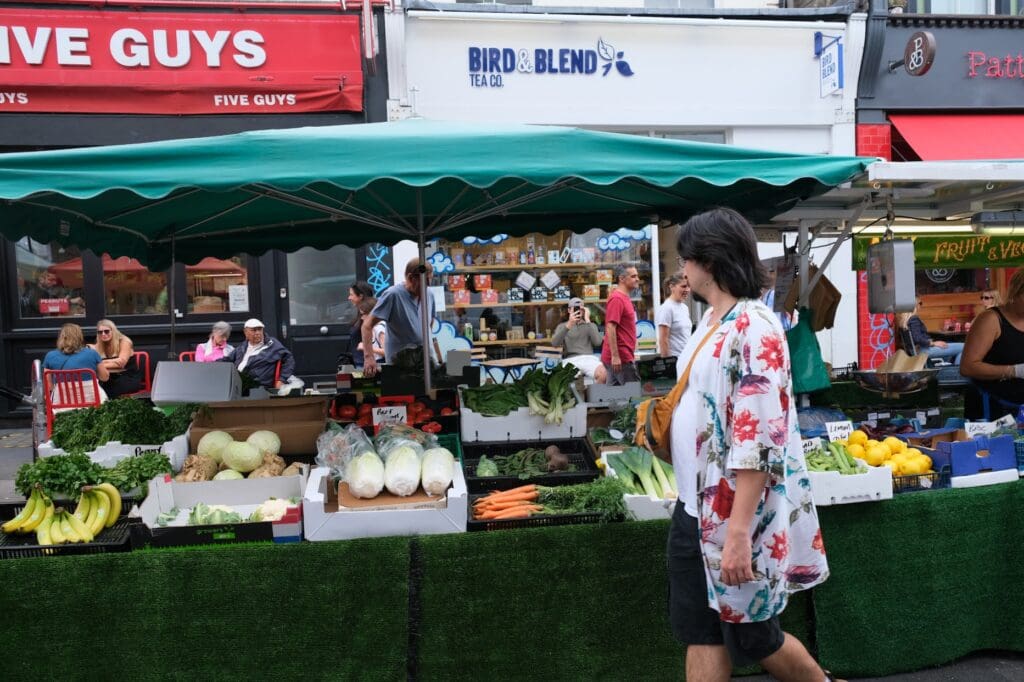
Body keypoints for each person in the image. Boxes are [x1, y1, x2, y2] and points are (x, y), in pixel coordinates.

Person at [668, 208, 833, 682]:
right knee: (699, 630)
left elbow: (758, 438)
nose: (683, 270)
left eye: (686, 259)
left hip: (736, 514)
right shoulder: (710, 323)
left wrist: (739, 531)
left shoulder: (756, 326)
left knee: (758, 635)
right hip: (693, 508)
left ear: (709, 261)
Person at [960, 269, 1024, 414]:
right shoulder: (991, 320)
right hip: (994, 406)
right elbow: (967, 367)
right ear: (1016, 292)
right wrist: (1014, 371)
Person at [361, 258, 436, 377]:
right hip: (400, 365)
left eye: (430, 279)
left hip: (426, 362)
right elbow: (367, 326)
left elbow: (430, 322)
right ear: (411, 278)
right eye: (425, 280)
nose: (428, 285)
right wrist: (369, 357)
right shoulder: (393, 295)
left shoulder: (429, 294)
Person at [43, 323, 110, 405]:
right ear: (79, 337)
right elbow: (104, 377)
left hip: (62, 405)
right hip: (92, 403)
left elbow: (49, 386)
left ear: (61, 338)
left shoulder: (50, 356)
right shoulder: (92, 353)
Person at [222, 318, 297, 390]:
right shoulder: (243, 346)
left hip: (258, 388)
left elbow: (289, 360)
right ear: (245, 332)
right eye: (254, 330)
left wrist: (281, 380)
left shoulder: (272, 345)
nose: (258, 333)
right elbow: (228, 359)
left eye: (260, 329)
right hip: (238, 385)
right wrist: (212, 364)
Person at [600, 264, 641, 385]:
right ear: (622, 279)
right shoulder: (617, 299)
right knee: (635, 394)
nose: (637, 279)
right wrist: (615, 356)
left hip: (621, 356)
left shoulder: (624, 297)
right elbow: (610, 327)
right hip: (621, 357)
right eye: (633, 276)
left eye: (637, 275)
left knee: (615, 397)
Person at [551, 298, 606, 383]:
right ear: (569, 310)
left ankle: (593, 395)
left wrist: (588, 320)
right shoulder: (562, 326)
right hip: (571, 360)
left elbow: (598, 342)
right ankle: (578, 395)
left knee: (604, 373)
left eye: (581, 309)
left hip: (589, 358)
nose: (578, 311)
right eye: (575, 308)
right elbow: (554, 344)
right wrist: (569, 325)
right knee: (567, 378)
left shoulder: (590, 325)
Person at [898, 301, 963, 364]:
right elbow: (917, 338)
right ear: (915, 305)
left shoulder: (903, 322)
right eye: (920, 303)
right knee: (964, 347)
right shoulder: (914, 319)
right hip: (924, 350)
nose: (920, 306)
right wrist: (933, 343)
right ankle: (958, 373)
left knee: (950, 345)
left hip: (915, 351)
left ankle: (954, 370)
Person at [92, 319, 143, 398]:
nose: (103, 334)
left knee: (108, 389)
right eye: (100, 332)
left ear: (113, 331)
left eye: (106, 331)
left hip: (127, 377)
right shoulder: (100, 344)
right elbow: (94, 361)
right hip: (110, 378)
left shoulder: (124, 341)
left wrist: (100, 364)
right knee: (95, 387)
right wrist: (113, 361)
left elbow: (121, 363)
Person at [656, 273, 692, 359]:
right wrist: (668, 364)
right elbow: (663, 340)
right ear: (672, 287)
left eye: (689, 286)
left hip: (686, 359)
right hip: (675, 360)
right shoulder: (667, 308)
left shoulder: (684, 308)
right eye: (683, 286)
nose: (687, 289)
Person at [345, 281, 375, 366]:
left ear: (361, 296)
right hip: (359, 362)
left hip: (365, 363)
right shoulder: (360, 314)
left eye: (351, 295)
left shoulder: (367, 316)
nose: (349, 298)